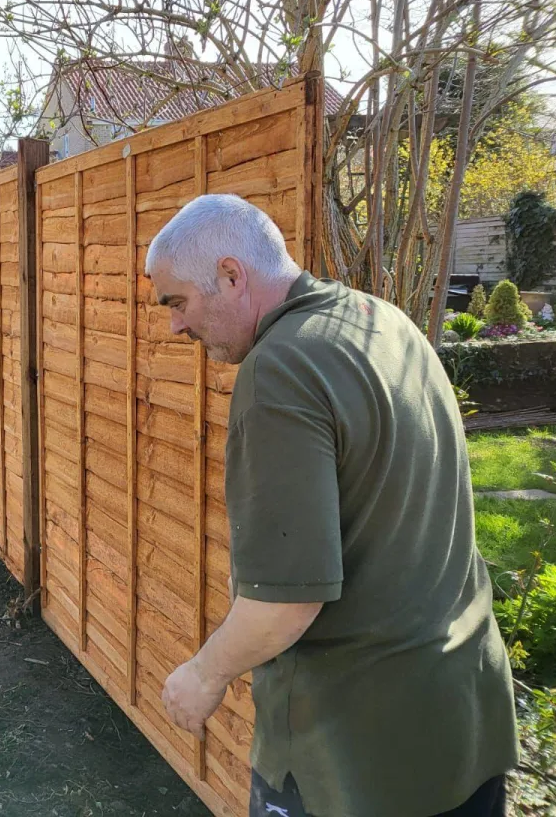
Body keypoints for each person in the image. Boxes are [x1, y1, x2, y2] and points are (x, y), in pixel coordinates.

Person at [147, 194, 517, 817]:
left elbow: (285, 602)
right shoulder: (383, 322)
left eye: (177, 302)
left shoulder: (280, 370)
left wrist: (203, 675)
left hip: (355, 761)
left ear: (232, 275)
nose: (175, 327)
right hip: (466, 715)